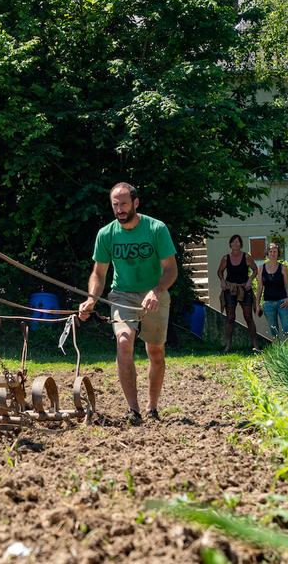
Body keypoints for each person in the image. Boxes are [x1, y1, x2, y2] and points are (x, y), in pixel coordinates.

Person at [78, 182, 177, 425]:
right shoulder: (107, 234)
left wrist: (156, 291)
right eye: (115, 205)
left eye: (123, 204)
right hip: (122, 294)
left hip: (155, 293)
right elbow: (99, 274)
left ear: (135, 203)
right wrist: (91, 298)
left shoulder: (156, 229)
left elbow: (171, 270)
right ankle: (134, 411)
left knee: (155, 351)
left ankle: (152, 407)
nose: (119, 209)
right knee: (124, 342)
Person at [216, 235, 260, 351]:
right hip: (230, 289)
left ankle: (255, 345)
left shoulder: (246, 257)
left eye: (238, 242)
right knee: (230, 317)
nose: (236, 244)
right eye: (233, 242)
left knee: (248, 317)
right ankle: (228, 346)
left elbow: (255, 270)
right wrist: (222, 281)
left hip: (244, 288)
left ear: (241, 244)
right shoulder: (226, 258)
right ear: (230, 244)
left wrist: (250, 280)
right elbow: (219, 271)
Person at [255, 243, 288, 340]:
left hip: (283, 302)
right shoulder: (261, 268)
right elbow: (259, 287)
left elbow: (286, 286)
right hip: (268, 303)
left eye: (275, 251)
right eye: (270, 251)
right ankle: (277, 351)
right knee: (274, 330)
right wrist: (257, 304)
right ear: (267, 253)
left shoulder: (283, 268)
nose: (272, 253)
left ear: (278, 253)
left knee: (287, 329)